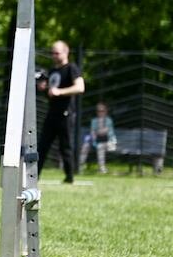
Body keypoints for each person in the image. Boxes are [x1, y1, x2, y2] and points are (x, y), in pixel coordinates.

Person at [37, 40, 85, 183]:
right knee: (42, 146)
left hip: (66, 114)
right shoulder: (52, 71)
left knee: (66, 147)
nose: (54, 56)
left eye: (57, 53)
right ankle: (34, 176)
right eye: (52, 53)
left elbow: (80, 87)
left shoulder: (72, 68)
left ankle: (69, 177)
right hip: (52, 113)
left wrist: (60, 92)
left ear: (66, 52)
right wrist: (44, 88)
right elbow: (50, 91)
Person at [79, 102, 117, 173]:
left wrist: (97, 132)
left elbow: (105, 131)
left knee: (100, 146)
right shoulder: (94, 121)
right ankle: (80, 166)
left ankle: (102, 168)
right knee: (85, 146)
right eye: (98, 111)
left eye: (102, 111)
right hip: (96, 141)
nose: (100, 113)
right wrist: (95, 137)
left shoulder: (108, 120)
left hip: (109, 142)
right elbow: (92, 132)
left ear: (106, 111)